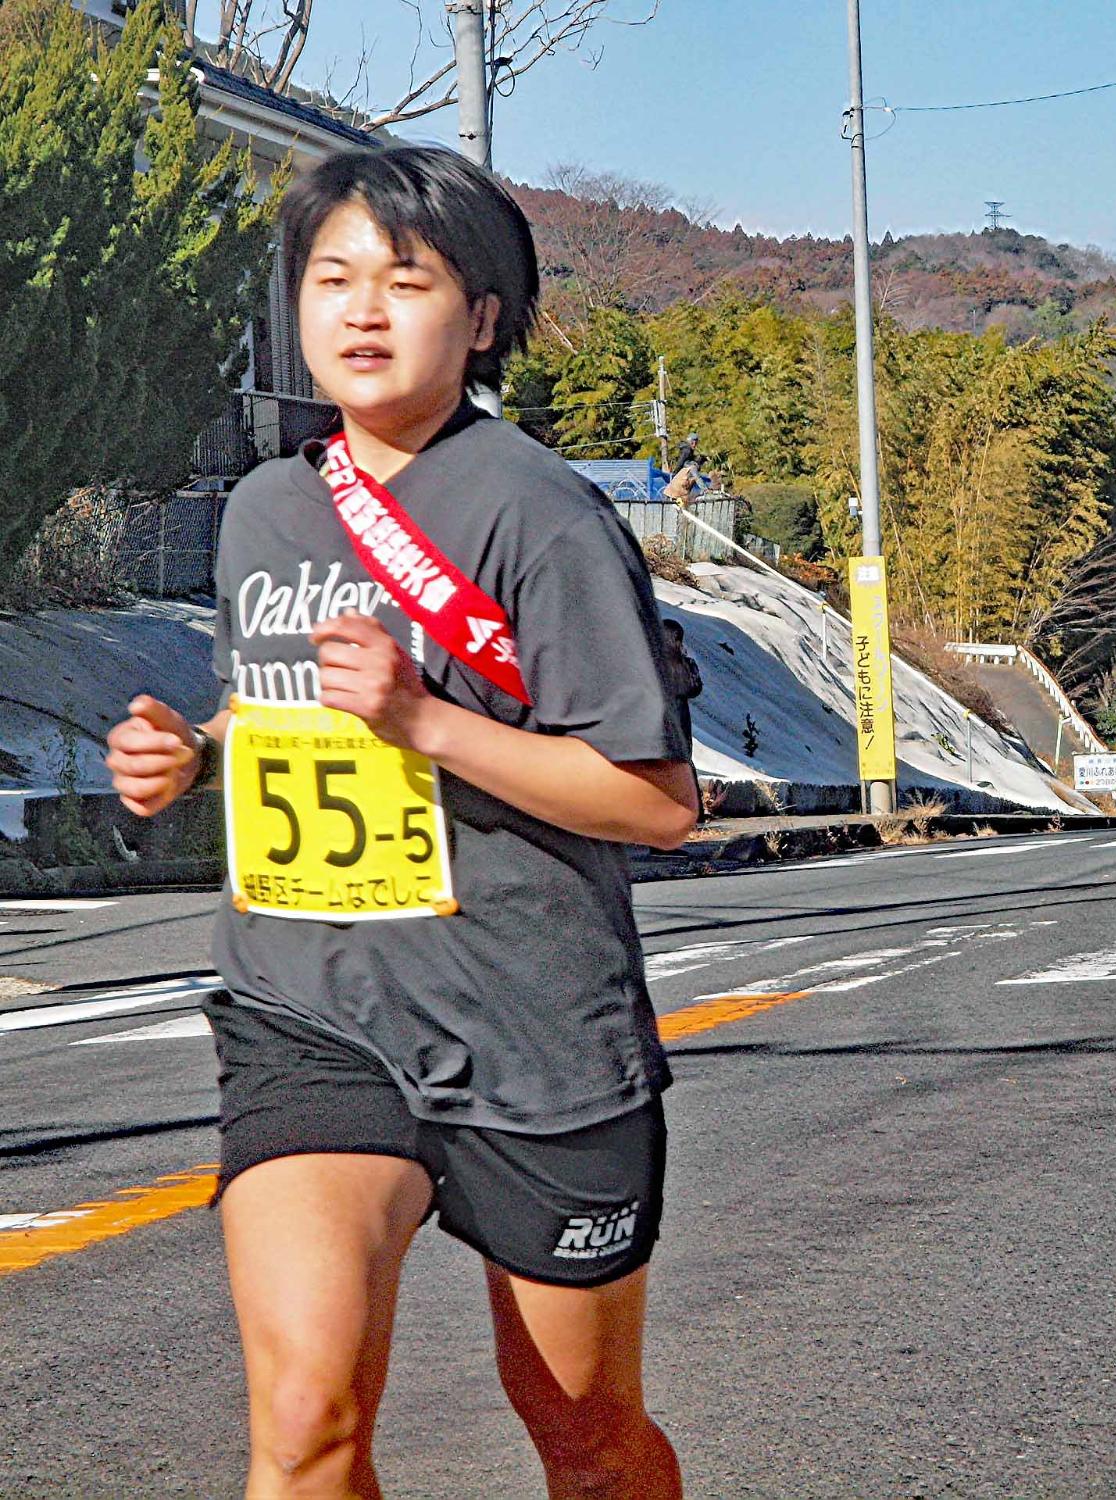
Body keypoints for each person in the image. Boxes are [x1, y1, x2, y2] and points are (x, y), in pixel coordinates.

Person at [104, 147, 699, 1498]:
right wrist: (189, 757)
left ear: (481, 316)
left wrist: (427, 724)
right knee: (307, 1418)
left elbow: (657, 802)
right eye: (333, 279)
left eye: (406, 280)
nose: (362, 311)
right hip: (311, 1005)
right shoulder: (268, 507)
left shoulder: (543, 517)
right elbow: (275, 708)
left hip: (534, 1031)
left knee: (590, 1443)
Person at [658, 616, 703, 793]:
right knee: (682, 759)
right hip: (677, 715)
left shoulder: (653, 662)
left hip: (661, 716)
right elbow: (695, 688)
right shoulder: (684, 663)